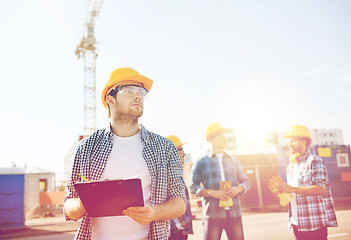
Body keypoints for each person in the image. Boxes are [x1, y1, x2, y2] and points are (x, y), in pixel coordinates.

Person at [63, 67, 186, 240]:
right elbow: (69, 207)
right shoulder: (86, 148)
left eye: (141, 92)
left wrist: (154, 212)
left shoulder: (165, 148)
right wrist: (83, 202)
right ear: (110, 99)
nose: (138, 96)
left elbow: (180, 203)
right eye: (129, 90)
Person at [274, 125, 338, 240]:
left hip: (314, 224)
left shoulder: (314, 161)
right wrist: (283, 192)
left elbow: (320, 188)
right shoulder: (291, 167)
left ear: (303, 141)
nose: (289, 144)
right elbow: (293, 192)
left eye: (293, 140)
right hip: (297, 223)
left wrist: (292, 189)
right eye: (289, 141)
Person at [189, 123, 250, 240]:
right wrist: (212, 193)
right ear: (211, 138)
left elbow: (246, 182)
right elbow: (192, 186)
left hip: (234, 213)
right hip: (212, 215)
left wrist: (238, 189)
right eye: (221, 135)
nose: (225, 138)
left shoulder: (234, 160)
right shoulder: (201, 161)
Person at [166, 135, 193, 240]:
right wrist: (179, 226)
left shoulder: (176, 172)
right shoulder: (168, 175)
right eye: (181, 150)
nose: (184, 154)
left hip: (179, 230)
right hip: (175, 231)